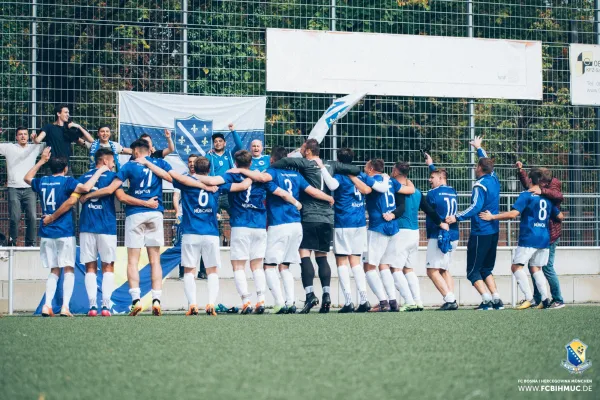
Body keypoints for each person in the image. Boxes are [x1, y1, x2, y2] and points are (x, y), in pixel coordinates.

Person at [43, 148, 159, 317]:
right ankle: (105, 306)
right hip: (106, 227)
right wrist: (146, 203)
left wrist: (56, 214)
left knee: (90, 267)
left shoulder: (84, 177)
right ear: (105, 161)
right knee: (108, 267)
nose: (113, 165)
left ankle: (92, 307)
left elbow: (75, 199)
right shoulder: (112, 177)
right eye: (112, 161)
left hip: (86, 226)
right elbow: (122, 197)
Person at [263, 139, 363, 313]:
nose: (300, 151)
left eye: (302, 148)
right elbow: (355, 169)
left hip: (309, 215)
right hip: (327, 217)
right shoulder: (331, 164)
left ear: (308, 150)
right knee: (322, 257)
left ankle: (310, 295)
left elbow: (286, 162)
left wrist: (272, 166)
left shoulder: (304, 163)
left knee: (304, 255)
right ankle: (327, 295)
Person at [24, 147, 107, 317]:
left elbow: (26, 178)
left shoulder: (43, 181)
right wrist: (99, 172)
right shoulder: (68, 181)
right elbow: (85, 187)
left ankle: (47, 305)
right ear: (65, 168)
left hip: (47, 233)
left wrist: (41, 160)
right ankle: (65, 307)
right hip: (64, 231)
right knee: (68, 269)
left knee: (54, 270)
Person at [193, 150, 276, 314]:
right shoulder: (260, 176)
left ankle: (246, 301)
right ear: (250, 163)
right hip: (259, 225)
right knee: (257, 265)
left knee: (238, 266)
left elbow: (212, 181)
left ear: (235, 163)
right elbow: (276, 189)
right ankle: (261, 300)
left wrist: (190, 176)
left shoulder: (230, 175)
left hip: (240, 225)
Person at [255, 146, 334, 314]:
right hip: (296, 225)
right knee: (285, 265)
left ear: (272, 160)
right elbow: (312, 191)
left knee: (269, 265)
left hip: (279, 224)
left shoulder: (272, 173)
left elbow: (263, 178)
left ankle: (279, 303)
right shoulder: (297, 175)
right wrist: (328, 197)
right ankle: (290, 302)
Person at [172, 156, 248, 316]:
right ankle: (211, 304)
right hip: (211, 233)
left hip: (191, 232)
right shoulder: (217, 185)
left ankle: (192, 305)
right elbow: (241, 186)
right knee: (212, 271)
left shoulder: (186, 183)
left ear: (194, 168)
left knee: (188, 271)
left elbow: (170, 176)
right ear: (209, 170)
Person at [479, 169, 564, 310]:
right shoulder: (547, 197)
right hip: (544, 238)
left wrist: (492, 217)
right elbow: (560, 216)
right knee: (536, 268)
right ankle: (545, 299)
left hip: (529, 237)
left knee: (516, 267)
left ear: (530, 180)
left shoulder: (526, 195)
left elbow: (513, 214)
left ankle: (529, 298)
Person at [445, 137, 504, 311]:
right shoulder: (494, 178)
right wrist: (479, 148)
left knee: (473, 271)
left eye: (477, 166)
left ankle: (486, 300)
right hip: (494, 231)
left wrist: (457, 217)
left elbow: (475, 206)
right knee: (486, 268)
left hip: (481, 231)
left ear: (479, 169)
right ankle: (497, 300)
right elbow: (487, 162)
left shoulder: (480, 185)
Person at [385, 161, 449, 312]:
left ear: (395, 171)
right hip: (415, 234)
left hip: (401, 232)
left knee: (395, 269)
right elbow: (429, 211)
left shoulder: (396, 188)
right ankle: (418, 301)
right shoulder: (418, 192)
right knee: (409, 269)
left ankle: (409, 301)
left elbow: (398, 208)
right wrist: (441, 223)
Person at [331, 148, 389, 313]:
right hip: (359, 223)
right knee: (355, 261)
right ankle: (364, 300)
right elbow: (370, 189)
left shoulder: (339, 175)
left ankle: (348, 301)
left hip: (343, 222)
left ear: (338, 160)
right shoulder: (362, 175)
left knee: (342, 261)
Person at [355, 159, 415, 312]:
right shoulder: (390, 181)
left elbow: (365, 190)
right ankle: (393, 301)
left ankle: (383, 302)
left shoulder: (371, 180)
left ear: (370, 169)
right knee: (384, 266)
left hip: (378, 227)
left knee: (368, 266)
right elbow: (410, 190)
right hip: (394, 228)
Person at [516, 163, 565, 309]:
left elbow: (558, 196)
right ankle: (540, 299)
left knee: (547, 268)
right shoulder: (539, 188)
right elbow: (529, 184)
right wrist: (521, 171)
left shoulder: (553, 185)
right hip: (543, 232)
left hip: (550, 233)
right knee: (535, 267)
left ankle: (558, 299)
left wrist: (542, 191)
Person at [424, 155, 460, 310]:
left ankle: (449, 299)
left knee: (431, 270)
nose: (429, 180)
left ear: (440, 178)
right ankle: (451, 298)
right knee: (444, 269)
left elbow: (431, 212)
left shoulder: (432, 194)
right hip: (454, 234)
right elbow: (440, 177)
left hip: (438, 234)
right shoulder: (452, 191)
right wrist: (431, 165)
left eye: (432, 177)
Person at [0, 127, 45, 246]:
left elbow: (50, 143)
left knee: (32, 216)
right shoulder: (9, 147)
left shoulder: (34, 147)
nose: (23, 136)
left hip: (29, 188)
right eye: (20, 134)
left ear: (28, 135)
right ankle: (12, 242)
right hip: (14, 188)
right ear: (16, 137)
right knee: (14, 217)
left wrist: (37, 140)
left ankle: (30, 243)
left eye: (25, 134)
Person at [173, 153, 199, 279]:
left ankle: (200, 272)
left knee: (197, 244)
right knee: (182, 244)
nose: (192, 164)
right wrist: (177, 212)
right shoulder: (182, 177)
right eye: (190, 161)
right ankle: (182, 272)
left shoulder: (203, 178)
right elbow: (175, 196)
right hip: (184, 216)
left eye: (194, 161)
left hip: (198, 216)